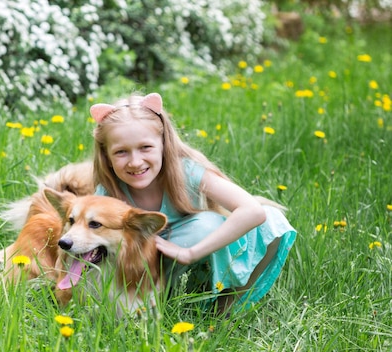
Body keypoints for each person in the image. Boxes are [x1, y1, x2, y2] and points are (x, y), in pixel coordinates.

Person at [90, 92, 297, 313]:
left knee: (271, 220)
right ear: (107, 157)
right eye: (121, 152)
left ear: (163, 145)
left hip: (191, 256)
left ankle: (225, 309)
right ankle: (155, 308)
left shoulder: (186, 172)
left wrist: (191, 253)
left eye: (145, 148)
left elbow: (253, 211)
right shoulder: (107, 195)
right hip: (142, 278)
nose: (135, 161)